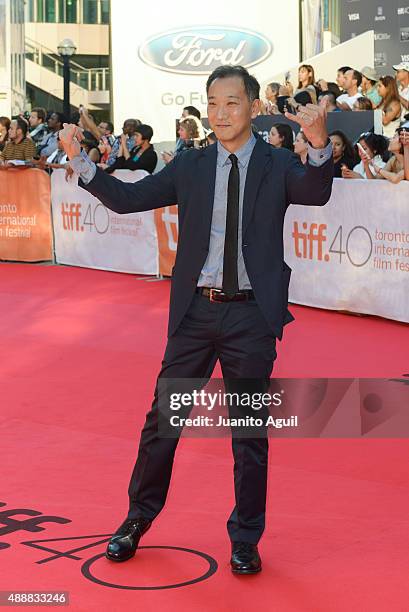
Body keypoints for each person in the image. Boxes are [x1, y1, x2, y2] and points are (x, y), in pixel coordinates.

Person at [59, 64, 333, 576]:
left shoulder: (276, 164)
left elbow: (316, 191)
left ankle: (246, 538)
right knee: (164, 422)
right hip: (195, 314)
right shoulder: (191, 164)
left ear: (253, 106)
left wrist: (319, 148)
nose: (221, 113)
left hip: (251, 316)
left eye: (232, 102)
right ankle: (136, 519)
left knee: (249, 432)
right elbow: (129, 199)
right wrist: (82, 163)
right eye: (213, 102)